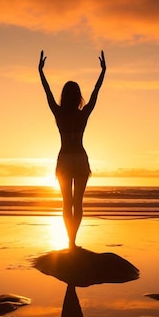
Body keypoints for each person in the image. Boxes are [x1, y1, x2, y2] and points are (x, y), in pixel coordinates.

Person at [38, 50, 106, 249]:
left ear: (64, 96)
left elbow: (47, 93)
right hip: (80, 160)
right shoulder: (83, 114)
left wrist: (40, 72)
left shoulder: (59, 113)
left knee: (67, 203)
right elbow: (95, 93)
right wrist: (103, 72)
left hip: (65, 160)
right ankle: (73, 241)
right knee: (78, 203)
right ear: (77, 97)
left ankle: (71, 242)